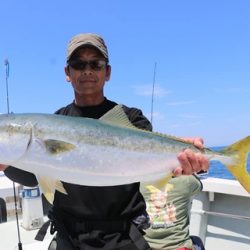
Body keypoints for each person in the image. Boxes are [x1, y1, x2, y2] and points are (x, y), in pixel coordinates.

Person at [0, 33, 209, 250]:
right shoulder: (57, 120)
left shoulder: (132, 118)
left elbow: (154, 158)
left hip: (122, 237)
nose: (87, 70)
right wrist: (5, 163)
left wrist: (186, 157)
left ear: (107, 72)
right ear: (67, 73)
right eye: (78, 64)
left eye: (96, 64)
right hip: (68, 238)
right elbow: (33, 176)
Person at [141, 175, 205, 250]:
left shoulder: (139, 181)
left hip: (145, 246)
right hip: (179, 247)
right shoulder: (188, 180)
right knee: (197, 241)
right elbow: (199, 186)